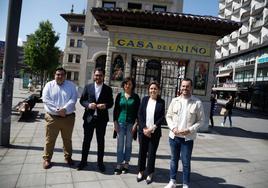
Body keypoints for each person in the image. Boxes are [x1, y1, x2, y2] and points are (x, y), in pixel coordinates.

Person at [165, 78, 205, 188]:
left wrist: (190, 130)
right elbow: (168, 116)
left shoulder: (197, 102)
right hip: (174, 137)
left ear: (191, 87)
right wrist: (173, 128)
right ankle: (172, 181)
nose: (185, 88)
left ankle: (185, 184)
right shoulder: (175, 101)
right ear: (180, 87)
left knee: (186, 162)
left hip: (187, 138)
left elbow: (201, 120)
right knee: (173, 160)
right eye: (183, 86)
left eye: (187, 86)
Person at [77, 67, 114, 172]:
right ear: (94, 76)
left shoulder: (107, 89)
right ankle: (83, 162)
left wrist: (105, 105)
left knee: (100, 141)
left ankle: (100, 163)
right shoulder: (88, 87)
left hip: (101, 120)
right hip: (89, 118)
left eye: (100, 75)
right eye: (96, 75)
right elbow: (82, 100)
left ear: (103, 77)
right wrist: (88, 105)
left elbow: (111, 103)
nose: (98, 77)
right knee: (86, 141)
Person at [42, 67, 78, 169]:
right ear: (55, 75)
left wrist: (65, 109)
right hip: (52, 117)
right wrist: (58, 109)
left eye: (62, 74)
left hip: (68, 118)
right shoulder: (49, 85)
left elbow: (73, 99)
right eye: (58, 74)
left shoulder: (71, 86)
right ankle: (47, 159)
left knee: (67, 140)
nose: (60, 76)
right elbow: (46, 99)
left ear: (65, 76)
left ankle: (68, 157)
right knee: (50, 140)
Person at [136, 81, 165, 184]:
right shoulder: (144, 100)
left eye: (155, 89)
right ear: (148, 90)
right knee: (142, 152)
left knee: (152, 153)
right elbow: (140, 114)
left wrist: (151, 129)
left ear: (158, 90)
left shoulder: (161, 102)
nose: (153, 90)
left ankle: (149, 173)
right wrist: (144, 128)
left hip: (154, 132)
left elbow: (161, 117)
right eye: (151, 88)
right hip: (143, 132)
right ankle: (140, 171)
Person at [113, 77, 140, 175]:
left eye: (130, 84)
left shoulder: (136, 97)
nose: (128, 86)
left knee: (128, 144)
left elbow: (138, 112)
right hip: (120, 123)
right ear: (123, 85)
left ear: (132, 86)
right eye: (126, 84)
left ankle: (126, 163)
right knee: (120, 144)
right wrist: (115, 123)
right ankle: (119, 164)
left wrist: (136, 124)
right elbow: (116, 110)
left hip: (131, 124)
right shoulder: (119, 96)